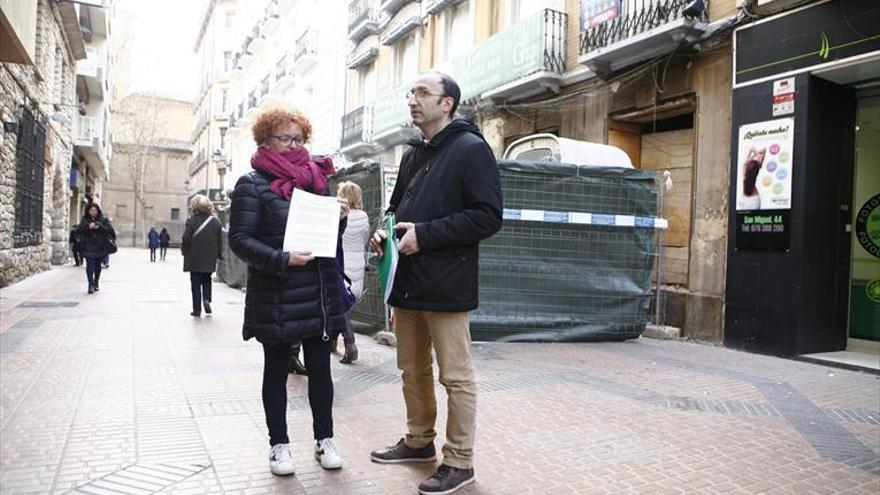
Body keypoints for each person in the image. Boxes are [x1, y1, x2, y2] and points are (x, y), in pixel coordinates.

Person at [369, 72, 502, 495]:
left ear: (447, 104)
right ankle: (418, 441)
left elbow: (487, 216)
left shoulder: (471, 149)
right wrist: (382, 232)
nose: (414, 99)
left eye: (423, 93)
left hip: (446, 284)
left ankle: (460, 462)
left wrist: (424, 235)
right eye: (412, 92)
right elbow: (395, 207)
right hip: (407, 281)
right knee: (411, 369)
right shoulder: (413, 154)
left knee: (456, 377)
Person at [228, 107, 349, 476]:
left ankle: (324, 438)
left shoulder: (316, 181)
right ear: (265, 141)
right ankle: (278, 445)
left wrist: (338, 222)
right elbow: (239, 240)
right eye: (286, 138)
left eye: (299, 139)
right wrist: (281, 259)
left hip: (318, 292)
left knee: (320, 371)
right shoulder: (251, 184)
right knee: (276, 372)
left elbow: (329, 242)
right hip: (277, 293)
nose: (295, 145)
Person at [332, 181, 369, 364]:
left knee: (340, 303)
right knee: (344, 303)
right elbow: (365, 239)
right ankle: (332, 342)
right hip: (358, 266)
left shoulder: (336, 215)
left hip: (341, 263)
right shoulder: (363, 216)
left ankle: (349, 343)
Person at [181, 195, 222, 317]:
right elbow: (220, 241)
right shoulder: (215, 222)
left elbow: (186, 238)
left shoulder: (192, 221)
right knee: (207, 279)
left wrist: (184, 250)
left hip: (194, 258)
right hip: (209, 258)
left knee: (195, 283)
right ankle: (207, 299)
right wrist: (219, 255)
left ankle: (197, 309)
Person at [76, 203, 116, 294]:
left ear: (98, 211)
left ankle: (96, 281)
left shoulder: (103, 220)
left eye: (95, 210)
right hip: (88, 247)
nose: (93, 212)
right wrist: (88, 227)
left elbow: (110, 231)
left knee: (98, 266)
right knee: (89, 265)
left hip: (100, 247)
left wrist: (99, 226)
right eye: (91, 210)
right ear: (88, 211)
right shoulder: (85, 220)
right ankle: (90, 284)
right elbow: (78, 230)